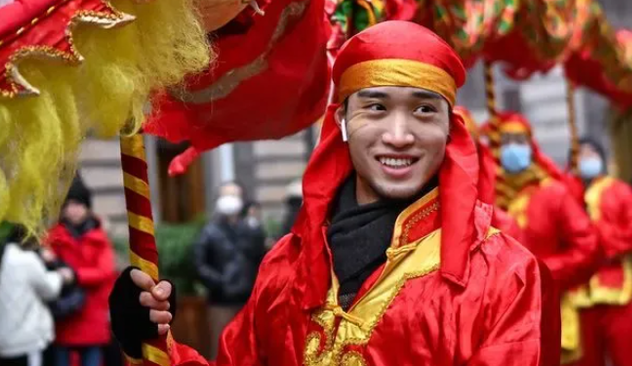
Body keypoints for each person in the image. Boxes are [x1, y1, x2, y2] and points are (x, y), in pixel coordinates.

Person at [110, 20, 560, 365]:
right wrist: (152, 343)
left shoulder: (507, 278)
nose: (399, 135)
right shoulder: (284, 269)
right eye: (376, 108)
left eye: (423, 110)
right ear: (342, 122)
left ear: (450, 129)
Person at [503, 120, 601, 365]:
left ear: (532, 147)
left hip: (551, 309)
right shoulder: (489, 196)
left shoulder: (553, 193)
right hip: (501, 321)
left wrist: (541, 274)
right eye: (504, 143)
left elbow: (588, 246)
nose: (512, 148)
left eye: (519, 142)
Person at [571, 138, 632, 366]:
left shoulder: (620, 191)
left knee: (626, 357)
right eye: (581, 154)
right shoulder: (566, 194)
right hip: (580, 295)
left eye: (592, 153)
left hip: (616, 291)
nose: (587, 159)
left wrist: (601, 233)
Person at [46, 175, 117, 366]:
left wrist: (76, 276)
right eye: (69, 205)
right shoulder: (54, 237)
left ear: (87, 208)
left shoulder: (100, 238)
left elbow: (105, 272)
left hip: (91, 315)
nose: (73, 210)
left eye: (78, 204)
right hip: (65, 315)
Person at [192, 181, 267, 358]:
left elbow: (262, 260)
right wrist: (220, 283)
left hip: (249, 301)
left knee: (251, 351)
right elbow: (199, 265)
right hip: (221, 302)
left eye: (234, 195)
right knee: (221, 350)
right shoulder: (209, 231)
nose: (230, 200)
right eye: (226, 195)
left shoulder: (251, 229)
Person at [0, 225, 74, 366]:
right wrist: (60, 276)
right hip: (27, 342)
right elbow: (50, 289)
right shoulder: (26, 259)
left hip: (2, 342)